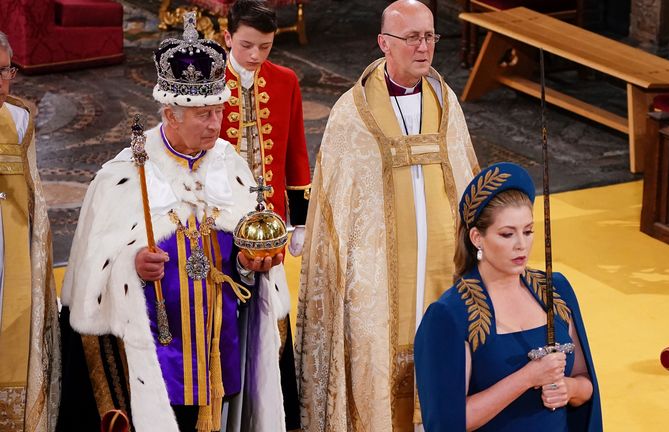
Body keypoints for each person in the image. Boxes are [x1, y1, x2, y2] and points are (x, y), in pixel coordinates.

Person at [57, 15, 285, 432]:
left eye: (218, 111)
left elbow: (248, 263)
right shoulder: (123, 177)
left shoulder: (232, 167)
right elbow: (95, 281)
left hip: (222, 344)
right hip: (160, 356)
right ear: (170, 114)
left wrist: (249, 264)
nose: (215, 125)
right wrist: (133, 267)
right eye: (202, 115)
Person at [294, 1, 478, 430]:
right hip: (376, 279)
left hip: (442, 268)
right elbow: (337, 207)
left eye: (430, 36)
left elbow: (468, 181)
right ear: (384, 43)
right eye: (412, 37)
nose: (423, 47)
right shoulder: (352, 114)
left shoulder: (446, 102)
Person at [414, 162, 602, 431]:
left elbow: (585, 383)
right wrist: (527, 377)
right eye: (507, 234)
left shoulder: (556, 290)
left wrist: (569, 388)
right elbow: (448, 422)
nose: (521, 245)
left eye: (528, 231)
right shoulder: (449, 315)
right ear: (477, 237)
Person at [219, 2, 310, 429]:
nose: (255, 55)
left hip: (270, 223)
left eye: (266, 47)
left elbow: (296, 152)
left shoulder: (286, 81)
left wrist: (302, 220)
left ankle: (273, 411)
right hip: (219, 222)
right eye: (246, 45)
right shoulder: (209, 81)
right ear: (227, 38)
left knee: (272, 310)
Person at [0, 30, 61, 432]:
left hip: (9, 245)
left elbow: (31, 194)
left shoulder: (18, 118)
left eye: (7, 71)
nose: (2, 81)